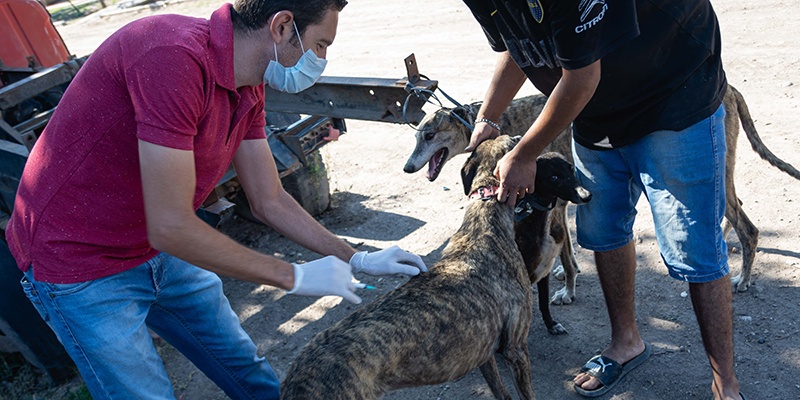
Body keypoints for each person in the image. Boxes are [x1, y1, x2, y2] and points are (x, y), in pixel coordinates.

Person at [6, 0, 427, 398]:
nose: (320, 59)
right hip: (77, 262)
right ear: (281, 27)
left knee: (245, 369)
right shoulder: (171, 56)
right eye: (320, 45)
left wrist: (354, 257)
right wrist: (293, 277)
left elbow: (268, 199)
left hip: (152, 244)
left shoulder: (248, 83)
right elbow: (171, 225)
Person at [461, 0, 744, 399]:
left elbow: (581, 78)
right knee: (603, 229)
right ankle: (626, 342)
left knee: (694, 247)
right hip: (597, 109)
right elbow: (517, 43)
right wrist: (487, 120)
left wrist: (525, 154)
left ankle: (725, 384)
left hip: (674, 92)